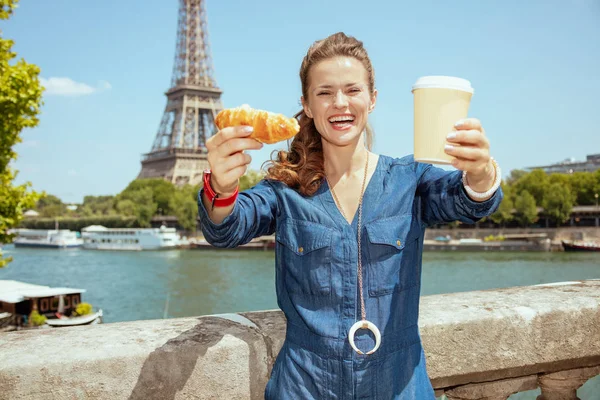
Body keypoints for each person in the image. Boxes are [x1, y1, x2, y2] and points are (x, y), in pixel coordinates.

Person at [198, 32, 502, 400]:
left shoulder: (410, 179)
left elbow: (469, 201)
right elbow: (226, 229)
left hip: (399, 386)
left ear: (372, 99)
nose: (339, 103)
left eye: (352, 90)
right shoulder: (286, 190)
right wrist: (220, 187)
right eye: (324, 93)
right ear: (307, 106)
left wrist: (482, 172)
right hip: (304, 388)